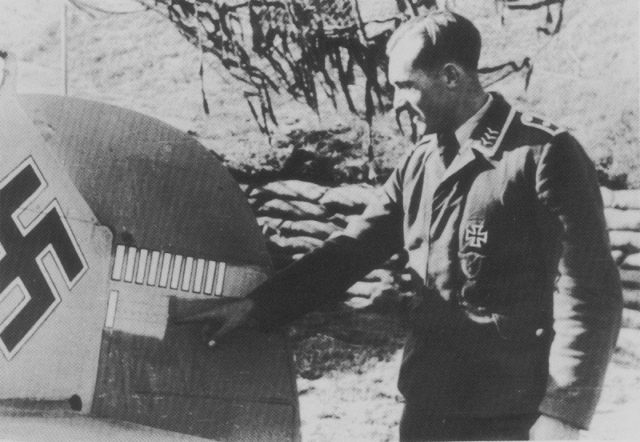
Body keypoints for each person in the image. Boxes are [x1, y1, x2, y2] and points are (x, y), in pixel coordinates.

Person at [177, 11, 623, 441]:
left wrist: (562, 414)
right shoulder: (420, 162)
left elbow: (590, 292)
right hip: (428, 403)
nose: (395, 102)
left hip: (509, 412)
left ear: (451, 76)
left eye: (406, 85)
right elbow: (352, 250)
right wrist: (258, 307)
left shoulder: (543, 154)